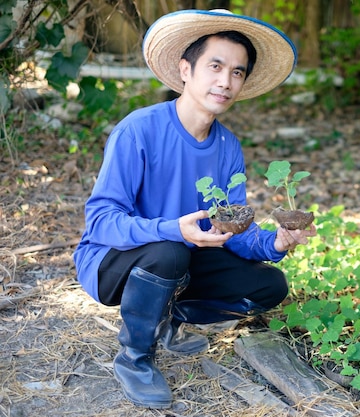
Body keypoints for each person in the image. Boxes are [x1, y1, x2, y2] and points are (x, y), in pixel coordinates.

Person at [73, 9, 316, 410]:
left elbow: (234, 229)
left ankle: (168, 316)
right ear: (186, 70)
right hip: (111, 261)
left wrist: (277, 242)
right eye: (215, 66)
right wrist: (172, 228)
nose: (225, 80)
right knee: (169, 250)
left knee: (270, 285)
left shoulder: (227, 147)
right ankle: (135, 358)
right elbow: (100, 222)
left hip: (182, 257)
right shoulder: (139, 130)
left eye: (238, 72)